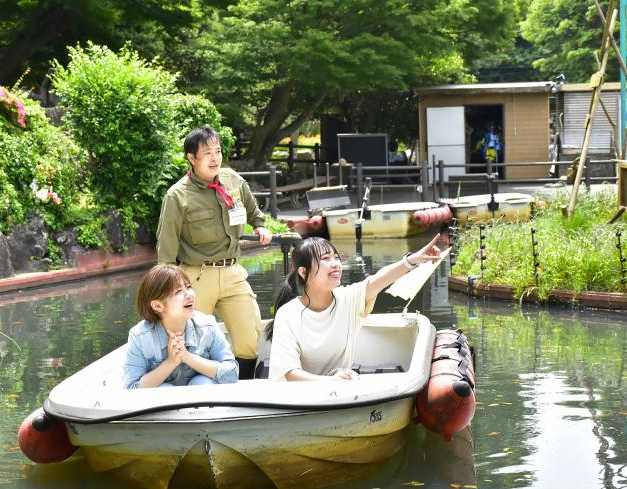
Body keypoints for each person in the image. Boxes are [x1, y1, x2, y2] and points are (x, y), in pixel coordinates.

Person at [156, 126, 272, 379]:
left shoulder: (233, 180)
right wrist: (169, 289)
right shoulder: (177, 195)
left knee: (249, 333)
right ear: (191, 158)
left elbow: (252, 210)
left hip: (233, 272)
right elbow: (166, 248)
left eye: (218, 151)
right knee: (194, 340)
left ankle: (242, 390)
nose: (215, 158)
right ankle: (198, 396)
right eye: (207, 153)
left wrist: (260, 225)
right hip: (196, 278)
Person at [267, 235, 441, 381]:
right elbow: (290, 373)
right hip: (297, 400)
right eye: (326, 259)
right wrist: (329, 382)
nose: (335, 263)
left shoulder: (347, 298)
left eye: (336, 257)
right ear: (303, 272)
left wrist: (412, 260)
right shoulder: (288, 314)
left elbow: (379, 279)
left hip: (340, 391)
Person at [123, 264, 238, 389]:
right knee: (164, 389)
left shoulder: (207, 325)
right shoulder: (140, 337)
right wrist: (171, 362)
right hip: (163, 406)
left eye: (188, 287)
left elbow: (232, 374)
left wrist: (187, 357)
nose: (189, 295)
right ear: (157, 306)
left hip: (202, 404)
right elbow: (131, 389)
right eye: (178, 291)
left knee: (201, 383)